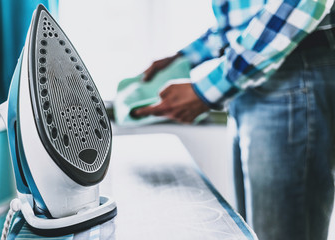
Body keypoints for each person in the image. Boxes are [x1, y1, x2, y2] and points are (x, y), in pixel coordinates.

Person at [135, 0, 335, 239]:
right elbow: (240, 20)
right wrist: (185, 58)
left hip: (290, 73)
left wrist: (208, 90)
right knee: (253, 232)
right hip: (254, 76)